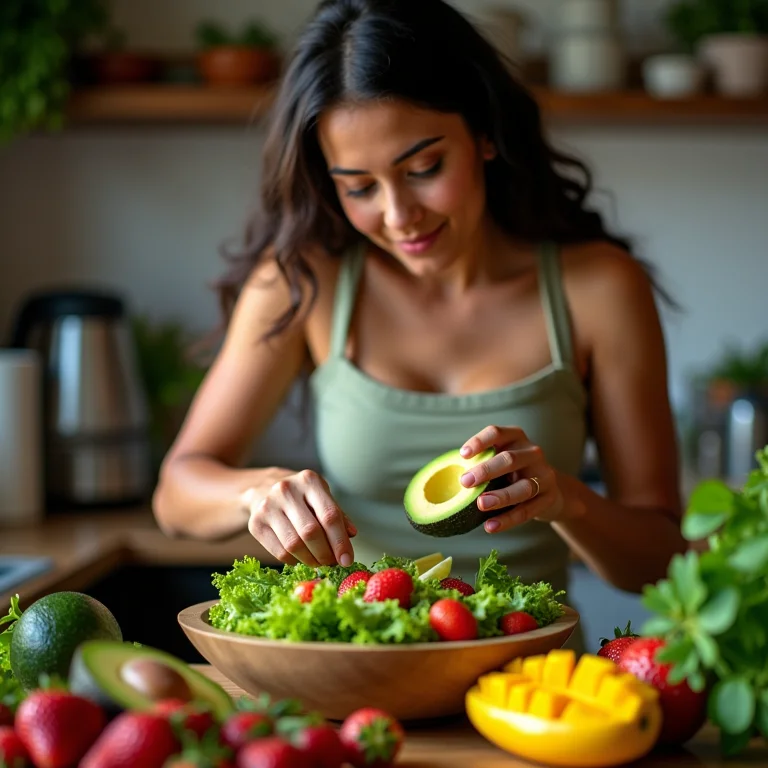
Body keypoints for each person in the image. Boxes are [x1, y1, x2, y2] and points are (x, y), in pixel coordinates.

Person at [152, 0, 687, 641]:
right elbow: (177, 494)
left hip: (530, 692)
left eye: (424, 168)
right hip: (360, 676)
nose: (399, 214)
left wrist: (566, 499)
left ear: (485, 133)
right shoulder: (304, 282)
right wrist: (255, 493)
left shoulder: (599, 288)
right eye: (359, 187)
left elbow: (660, 559)